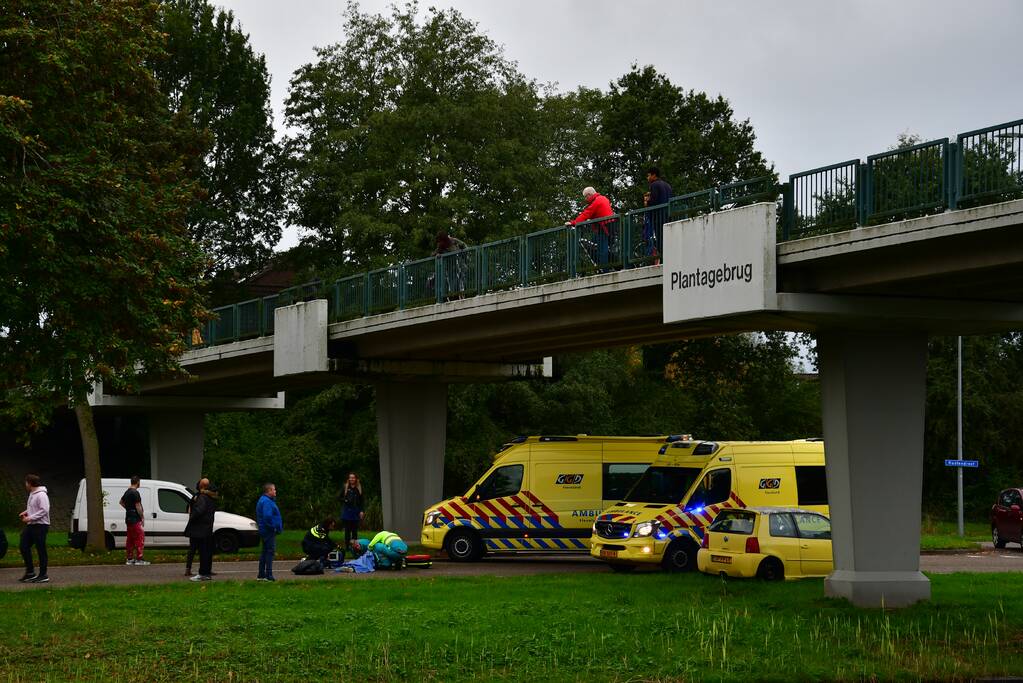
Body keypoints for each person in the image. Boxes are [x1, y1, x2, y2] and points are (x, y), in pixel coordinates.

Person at [565, 186, 614, 269]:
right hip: (609, 226)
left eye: (585, 197)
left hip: (603, 227)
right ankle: (607, 265)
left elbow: (586, 214)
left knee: (602, 249)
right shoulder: (604, 198)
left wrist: (573, 223)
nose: (585, 199)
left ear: (589, 195)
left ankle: (604, 268)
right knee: (598, 245)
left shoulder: (596, 202)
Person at [18, 474, 50, 583]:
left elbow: (44, 510)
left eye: (26, 483)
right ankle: (30, 573)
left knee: (41, 549)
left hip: (40, 526)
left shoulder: (41, 495)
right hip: (31, 525)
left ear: (30, 483)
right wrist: (26, 512)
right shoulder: (32, 494)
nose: (25, 485)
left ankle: (43, 575)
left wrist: (30, 518)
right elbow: (34, 508)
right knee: (23, 546)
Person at [185, 480, 217, 582]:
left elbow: (199, 510)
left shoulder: (201, 497)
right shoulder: (211, 497)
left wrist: (192, 517)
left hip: (199, 529)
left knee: (200, 551)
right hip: (208, 528)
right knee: (207, 551)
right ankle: (206, 572)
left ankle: (202, 573)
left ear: (200, 486)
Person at [255, 483, 282, 582]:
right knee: (270, 552)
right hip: (268, 530)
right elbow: (267, 516)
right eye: (274, 489)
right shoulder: (267, 502)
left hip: (264, 529)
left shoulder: (264, 500)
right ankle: (268, 575)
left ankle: (261, 574)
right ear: (269, 491)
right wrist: (273, 527)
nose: (275, 491)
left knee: (265, 552)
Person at [119, 475, 148, 566]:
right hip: (135, 518)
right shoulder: (135, 493)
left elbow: (121, 502)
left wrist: (128, 509)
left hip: (128, 518)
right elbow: (138, 506)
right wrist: (142, 516)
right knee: (140, 537)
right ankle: (139, 558)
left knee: (130, 539)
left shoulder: (127, 492)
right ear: (138, 482)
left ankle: (129, 558)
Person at [646, 167, 673, 257]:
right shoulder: (668, 185)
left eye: (648, 175)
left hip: (658, 216)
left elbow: (654, 201)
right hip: (668, 215)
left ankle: (663, 257)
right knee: (668, 237)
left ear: (654, 175)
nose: (648, 178)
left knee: (660, 237)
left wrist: (647, 202)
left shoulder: (654, 185)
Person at [432, 230, 469, 297]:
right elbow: (434, 253)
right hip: (451, 266)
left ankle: (463, 293)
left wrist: (464, 254)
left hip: (459, 263)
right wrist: (437, 254)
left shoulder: (453, 240)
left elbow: (464, 246)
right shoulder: (440, 245)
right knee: (452, 280)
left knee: (461, 277)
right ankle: (454, 294)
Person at [183, 478, 206, 576]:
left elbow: (188, 508)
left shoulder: (194, 496)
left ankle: (188, 568)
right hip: (200, 526)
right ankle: (204, 569)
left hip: (193, 526)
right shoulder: (203, 497)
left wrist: (191, 518)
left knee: (192, 549)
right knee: (203, 549)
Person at [340, 473, 364, 552]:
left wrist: (361, 510)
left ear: (356, 479)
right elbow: (339, 497)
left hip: (355, 512)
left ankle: (354, 547)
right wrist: (346, 500)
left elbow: (362, 501)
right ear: (348, 479)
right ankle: (347, 547)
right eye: (350, 478)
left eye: (353, 478)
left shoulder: (359, 488)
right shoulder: (345, 487)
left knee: (354, 531)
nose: (351, 479)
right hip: (347, 512)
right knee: (347, 531)